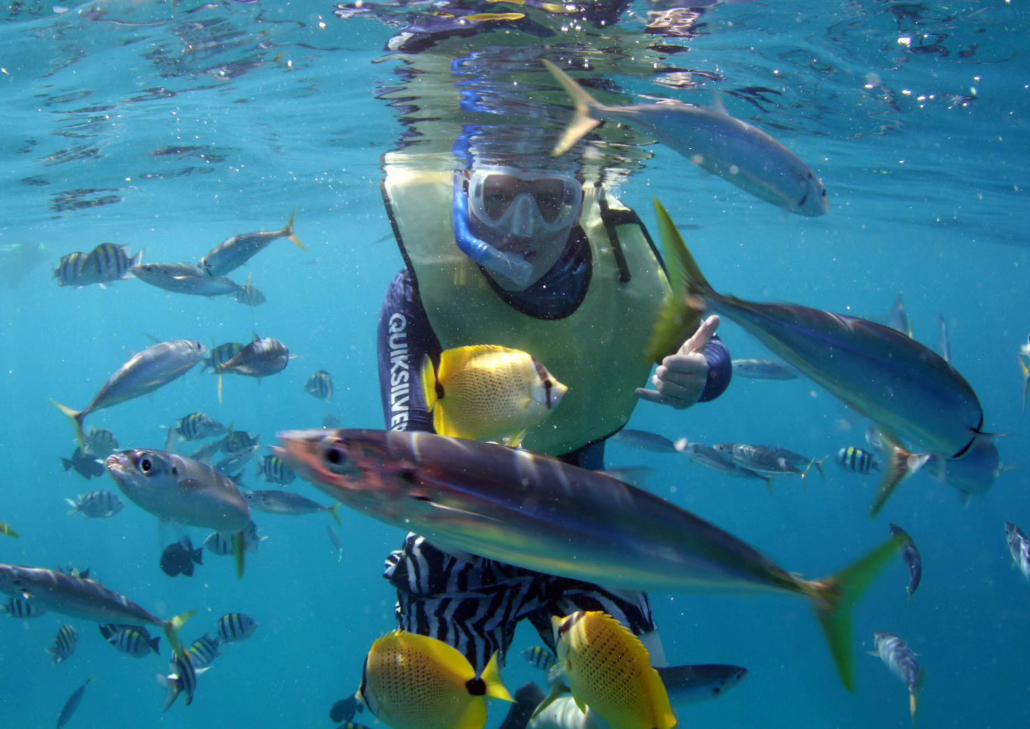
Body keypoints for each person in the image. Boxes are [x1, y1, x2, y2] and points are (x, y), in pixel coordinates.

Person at [372, 122, 732, 682]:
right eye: (497, 197)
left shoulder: (623, 266)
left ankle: (551, 716)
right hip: (462, 521)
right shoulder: (422, 289)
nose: (523, 227)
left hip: (580, 511)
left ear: (583, 197)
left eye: (549, 202)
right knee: (433, 697)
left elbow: (707, 347)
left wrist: (701, 374)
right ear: (462, 188)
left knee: (636, 699)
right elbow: (409, 441)